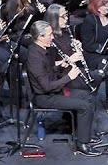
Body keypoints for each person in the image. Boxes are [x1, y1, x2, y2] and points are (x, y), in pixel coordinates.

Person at [24, 19, 103, 156]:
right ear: (40, 37)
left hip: (54, 92)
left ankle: (82, 135)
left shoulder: (42, 49)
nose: (53, 37)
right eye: (49, 35)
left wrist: (61, 66)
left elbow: (48, 72)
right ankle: (82, 144)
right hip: (45, 98)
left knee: (88, 96)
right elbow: (47, 86)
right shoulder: (35, 56)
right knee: (84, 106)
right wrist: (69, 77)